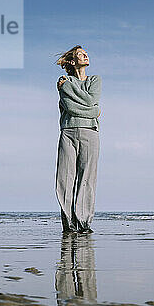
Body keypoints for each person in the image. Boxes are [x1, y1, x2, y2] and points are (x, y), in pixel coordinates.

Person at [55, 45, 102, 233]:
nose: (85, 55)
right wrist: (94, 112)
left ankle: (84, 223)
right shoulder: (64, 81)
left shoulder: (94, 80)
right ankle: (68, 224)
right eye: (80, 54)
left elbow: (91, 100)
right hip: (68, 132)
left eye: (86, 53)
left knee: (87, 179)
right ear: (73, 61)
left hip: (90, 132)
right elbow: (70, 106)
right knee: (65, 179)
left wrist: (91, 107)